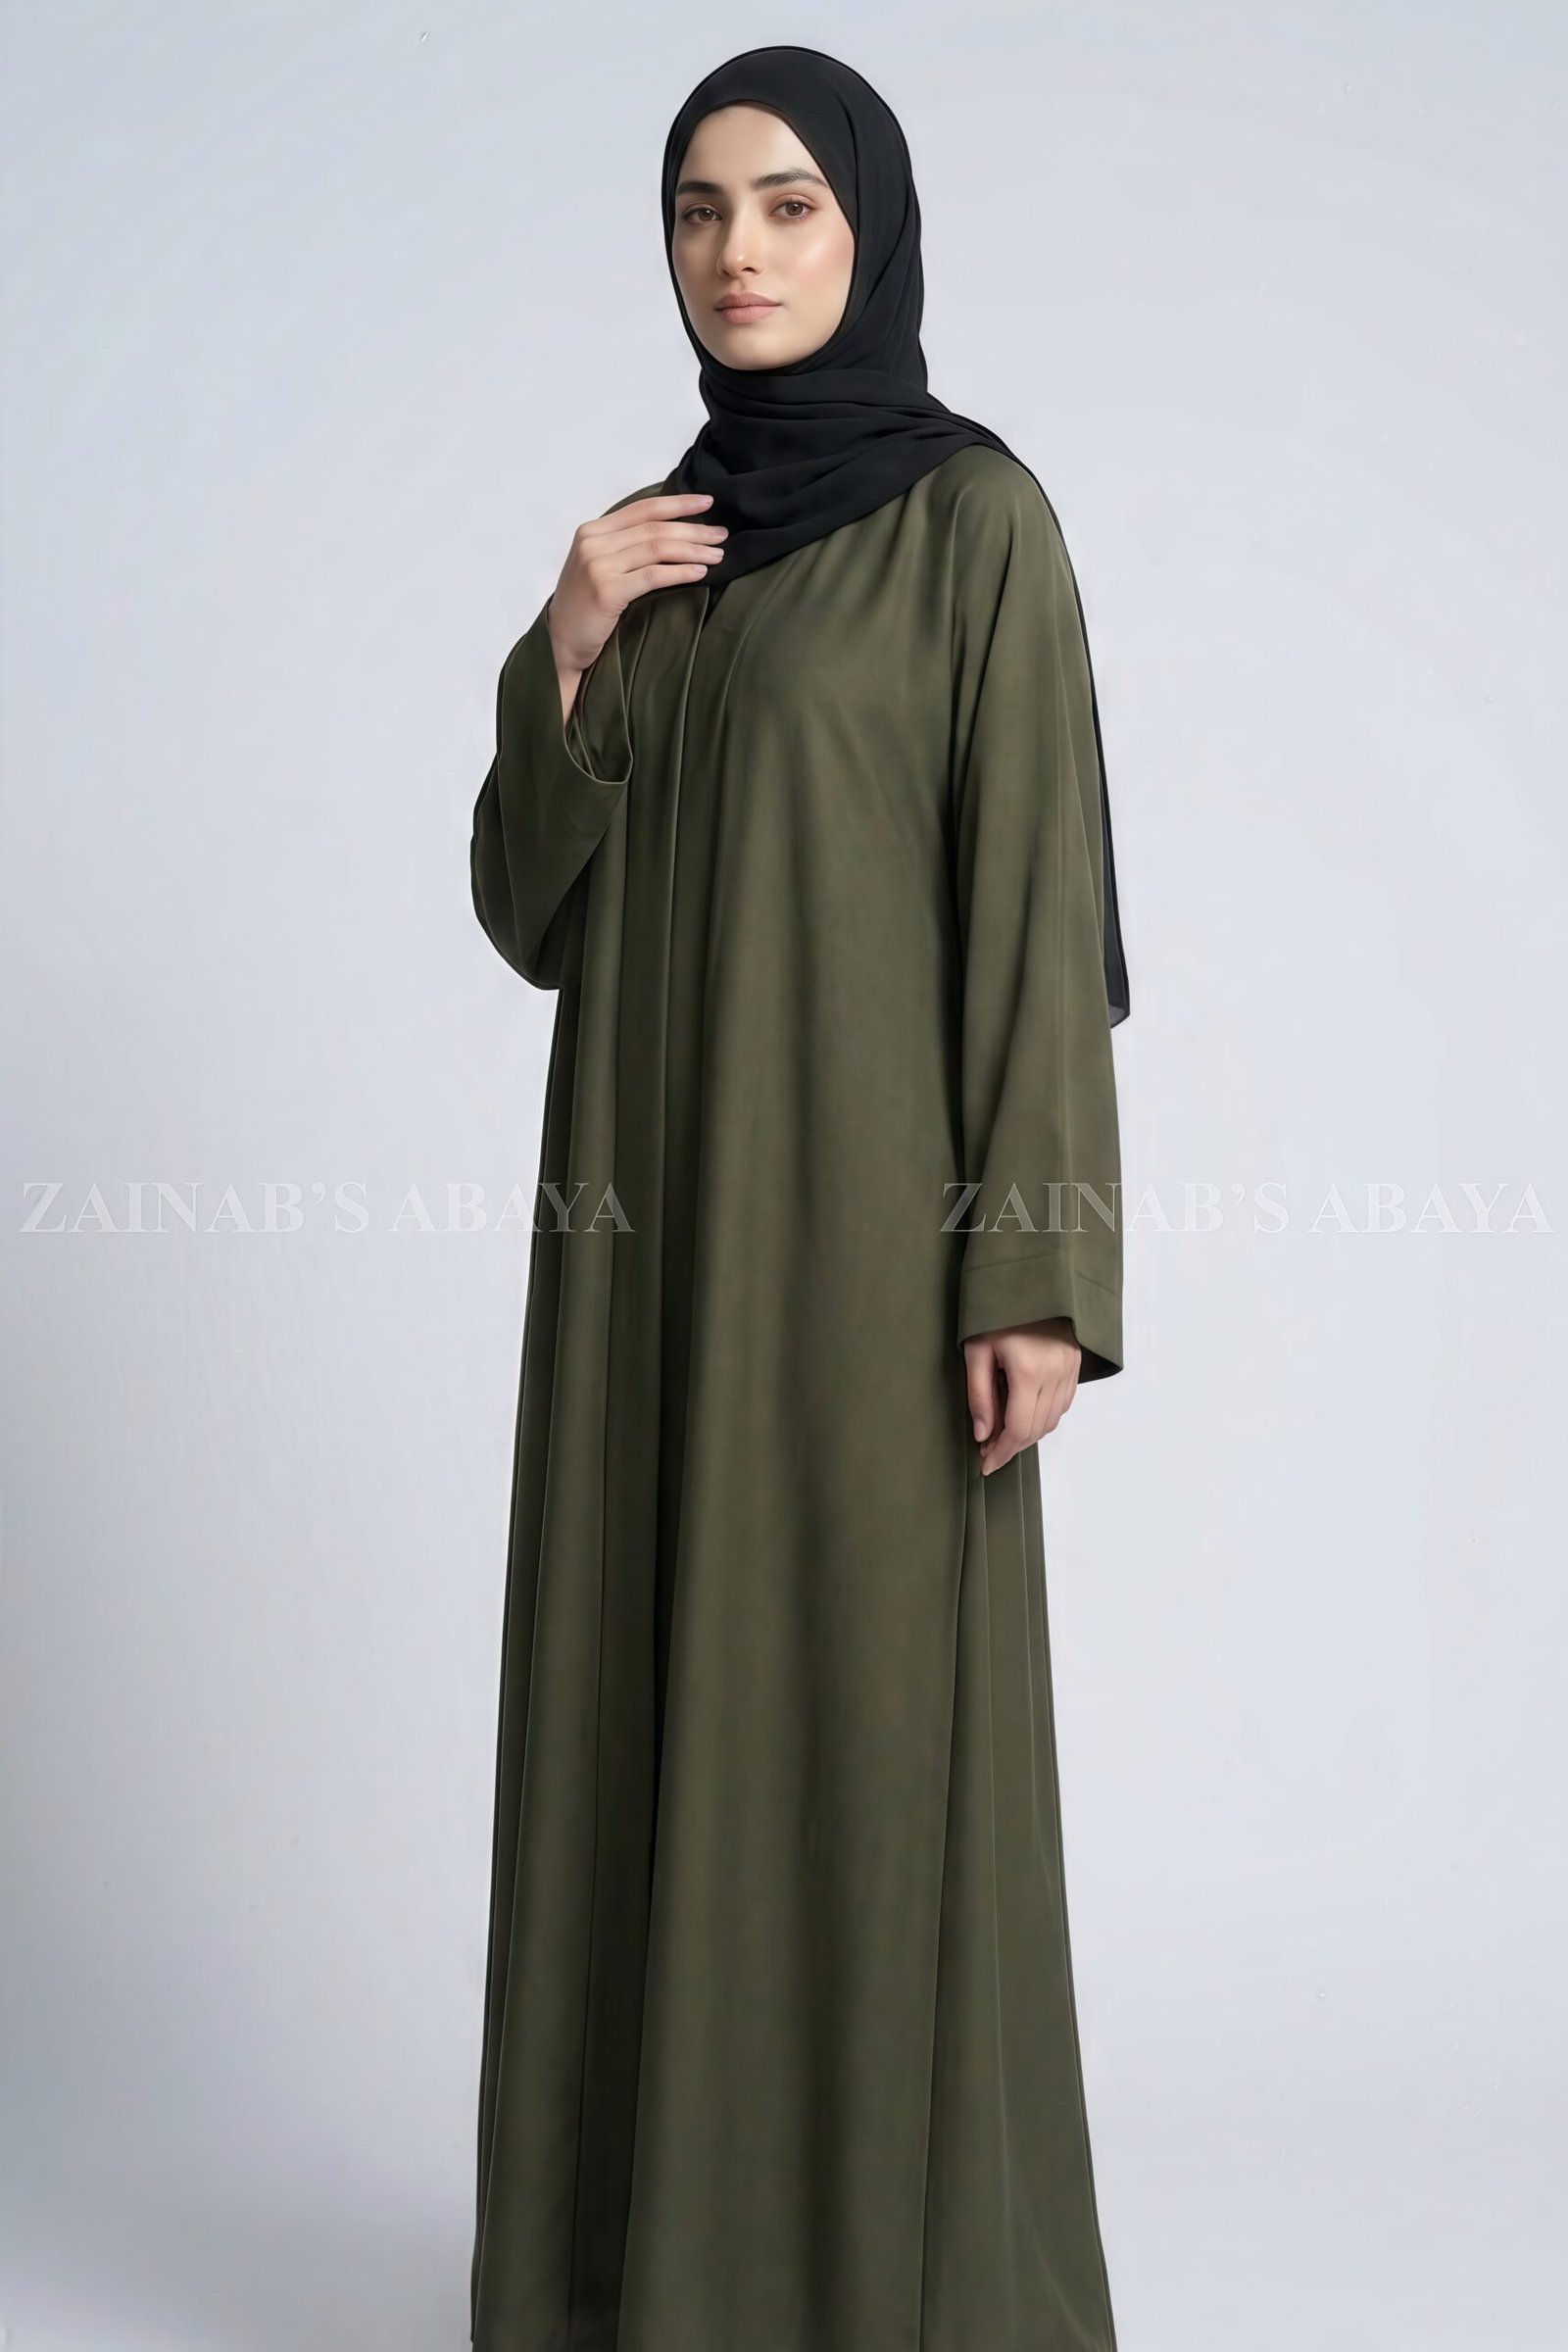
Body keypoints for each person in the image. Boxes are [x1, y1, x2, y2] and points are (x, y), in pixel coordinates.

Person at [467, 43, 1130, 2352]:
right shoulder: (655, 552)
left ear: (867, 229)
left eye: (782, 205)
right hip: (639, 1260)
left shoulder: (970, 525)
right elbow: (529, 910)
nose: (732, 252)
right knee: (635, 1704)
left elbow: (1031, 906)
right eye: (694, 210)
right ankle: (631, 2280)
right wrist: (562, 648)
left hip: (862, 1256)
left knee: (857, 1732)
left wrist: (1031, 1267)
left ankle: (876, 2286)